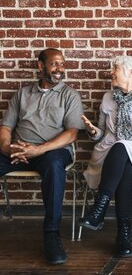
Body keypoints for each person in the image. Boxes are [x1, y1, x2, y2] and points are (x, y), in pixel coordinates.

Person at [0, 48, 84, 265]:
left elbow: (72, 133)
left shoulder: (70, 95)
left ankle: (52, 234)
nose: (60, 68)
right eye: (54, 64)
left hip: (51, 152)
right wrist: (8, 148)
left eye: (62, 64)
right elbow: (6, 126)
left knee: (55, 165)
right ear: (40, 66)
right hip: (17, 150)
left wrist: (39, 149)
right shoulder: (22, 94)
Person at [79, 55, 132, 258]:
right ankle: (123, 236)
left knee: (123, 147)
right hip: (111, 154)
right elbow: (101, 132)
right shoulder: (108, 97)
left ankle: (99, 208)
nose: (112, 73)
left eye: (115, 69)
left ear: (131, 73)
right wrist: (93, 132)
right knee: (123, 159)